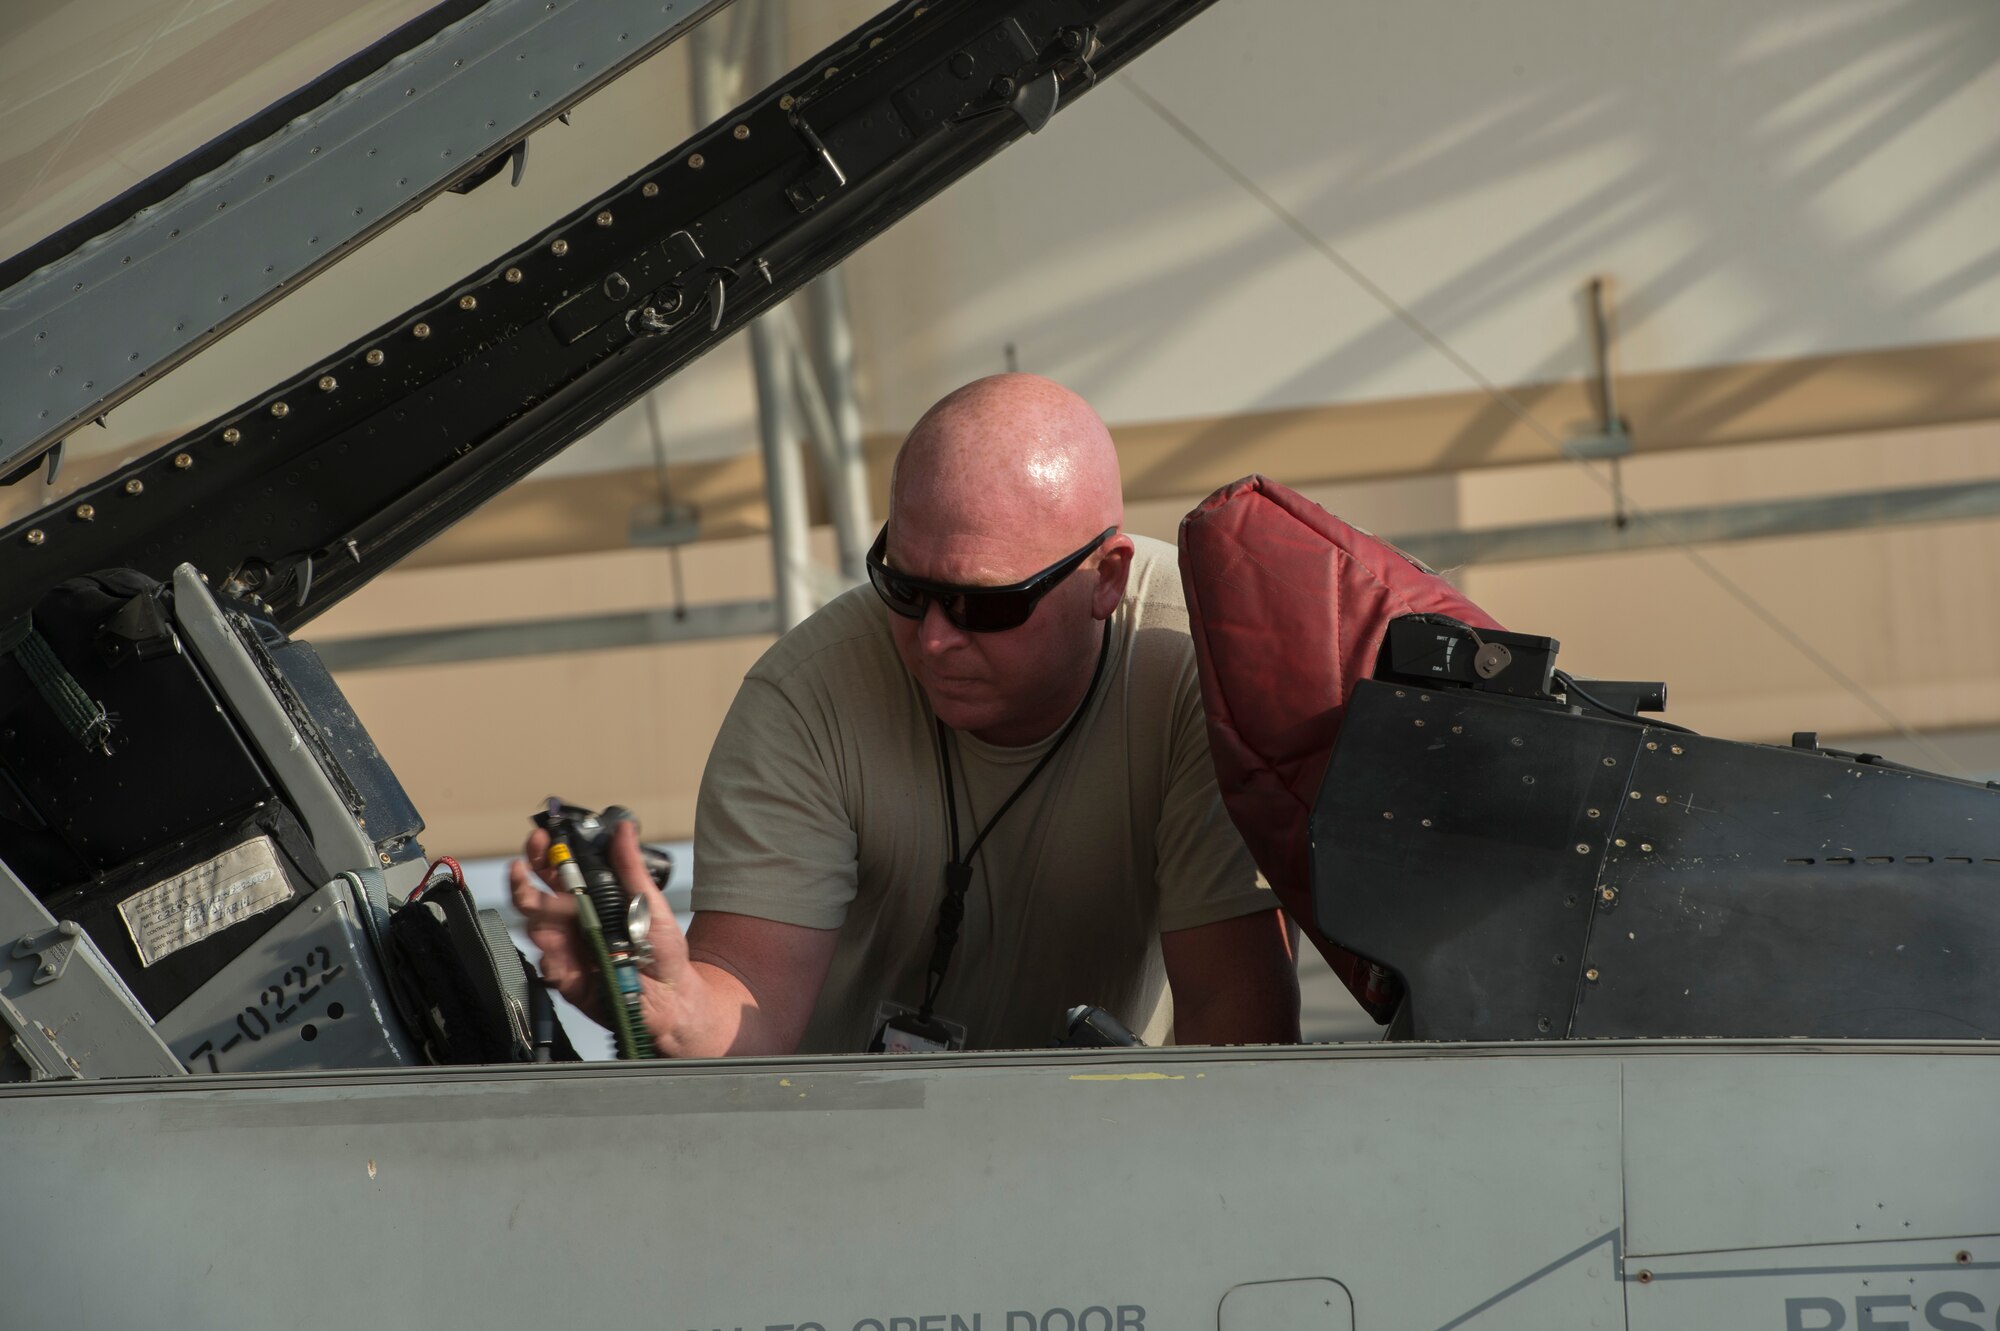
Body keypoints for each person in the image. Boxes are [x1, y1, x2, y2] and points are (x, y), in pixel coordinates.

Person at [511, 373, 1299, 1055]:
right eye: (904, 588)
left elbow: (1238, 1029)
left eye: (982, 604)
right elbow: (750, 997)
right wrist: (671, 1007)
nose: (933, 639)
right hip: (851, 1155)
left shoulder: (1202, 666)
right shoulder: (805, 696)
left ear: (1107, 576)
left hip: (1111, 1152)